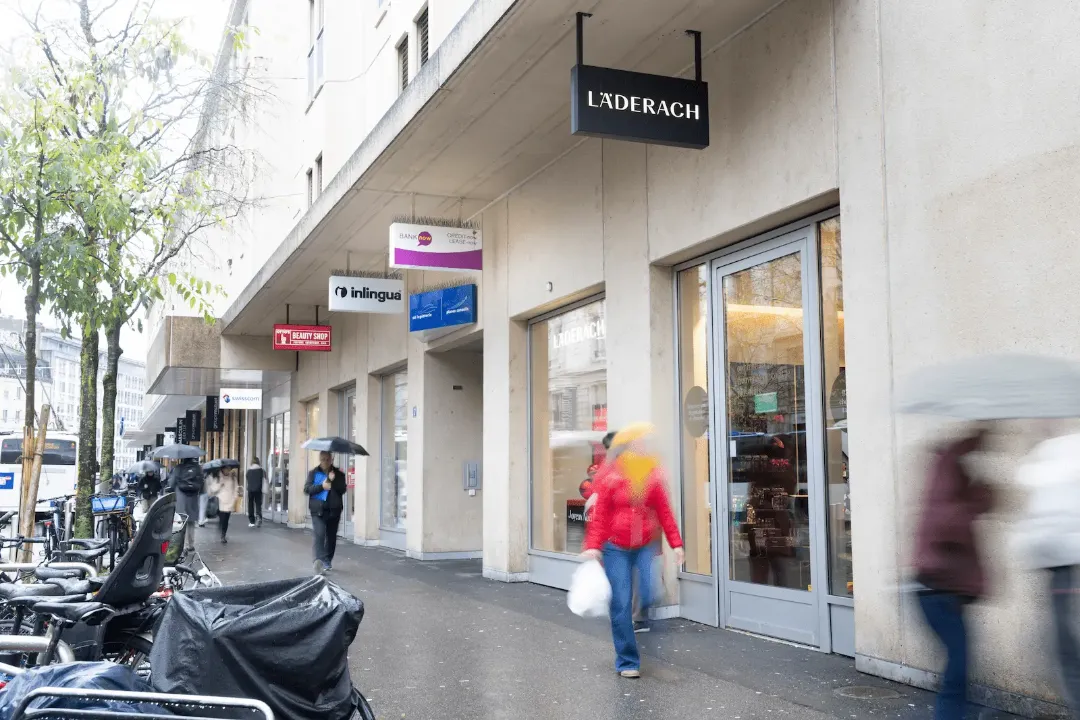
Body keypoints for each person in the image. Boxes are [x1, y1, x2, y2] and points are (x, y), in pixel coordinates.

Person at [582, 423, 684, 679]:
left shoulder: (651, 474)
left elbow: (664, 510)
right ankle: (627, 660)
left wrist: (676, 543)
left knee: (651, 592)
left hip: (645, 544)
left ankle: (638, 619)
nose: (643, 447)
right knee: (621, 603)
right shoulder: (609, 475)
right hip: (615, 546)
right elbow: (600, 514)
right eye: (638, 443)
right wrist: (593, 546)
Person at [913, 427, 996, 720]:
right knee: (958, 668)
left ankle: (955, 714)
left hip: (944, 591)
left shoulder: (949, 469)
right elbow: (947, 525)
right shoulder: (947, 471)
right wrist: (980, 499)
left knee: (959, 667)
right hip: (936, 591)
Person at [1014, 431, 1080, 716]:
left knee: (1066, 653)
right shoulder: (1059, 452)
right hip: (1063, 566)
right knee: (1064, 651)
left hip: (1065, 565)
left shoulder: (1060, 454)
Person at [305, 451, 346, 574]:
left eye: (327, 459)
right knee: (320, 533)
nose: (325, 462)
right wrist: (322, 486)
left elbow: (342, 489)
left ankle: (327, 559)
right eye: (323, 459)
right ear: (320, 459)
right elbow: (307, 489)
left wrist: (333, 480)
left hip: (334, 510)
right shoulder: (313, 473)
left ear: (331, 460)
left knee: (331, 536)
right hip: (317, 510)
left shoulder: (339, 474)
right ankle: (318, 560)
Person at [166, 458, 203, 550]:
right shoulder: (198, 468)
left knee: (182, 520)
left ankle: (183, 544)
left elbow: (172, 482)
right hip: (193, 496)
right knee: (191, 521)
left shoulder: (178, 468)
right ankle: (191, 544)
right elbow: (202, 481)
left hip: (181, 496)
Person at [207, 467, 238, 544]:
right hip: (221, 501)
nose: (228, 470)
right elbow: (213, 489)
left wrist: (235, 497)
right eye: (226, 469)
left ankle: (223, 533)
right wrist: (220, 484)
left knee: (226, 520)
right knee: (222, 518)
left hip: (229, 501)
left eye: (229, 469)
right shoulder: (218, 477)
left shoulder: (233, 477)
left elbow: (235, 488)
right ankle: (222, 535)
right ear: (222, 469)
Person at [246, 457, 267, 528]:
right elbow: (265, 480)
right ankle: (258, 517)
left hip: (250, 490)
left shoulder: (248, 471)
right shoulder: (262, 470)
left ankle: (252, 521)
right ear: (258, 462)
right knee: (258, 504)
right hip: (259, 490)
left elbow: (247, 480)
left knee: (250, 505)